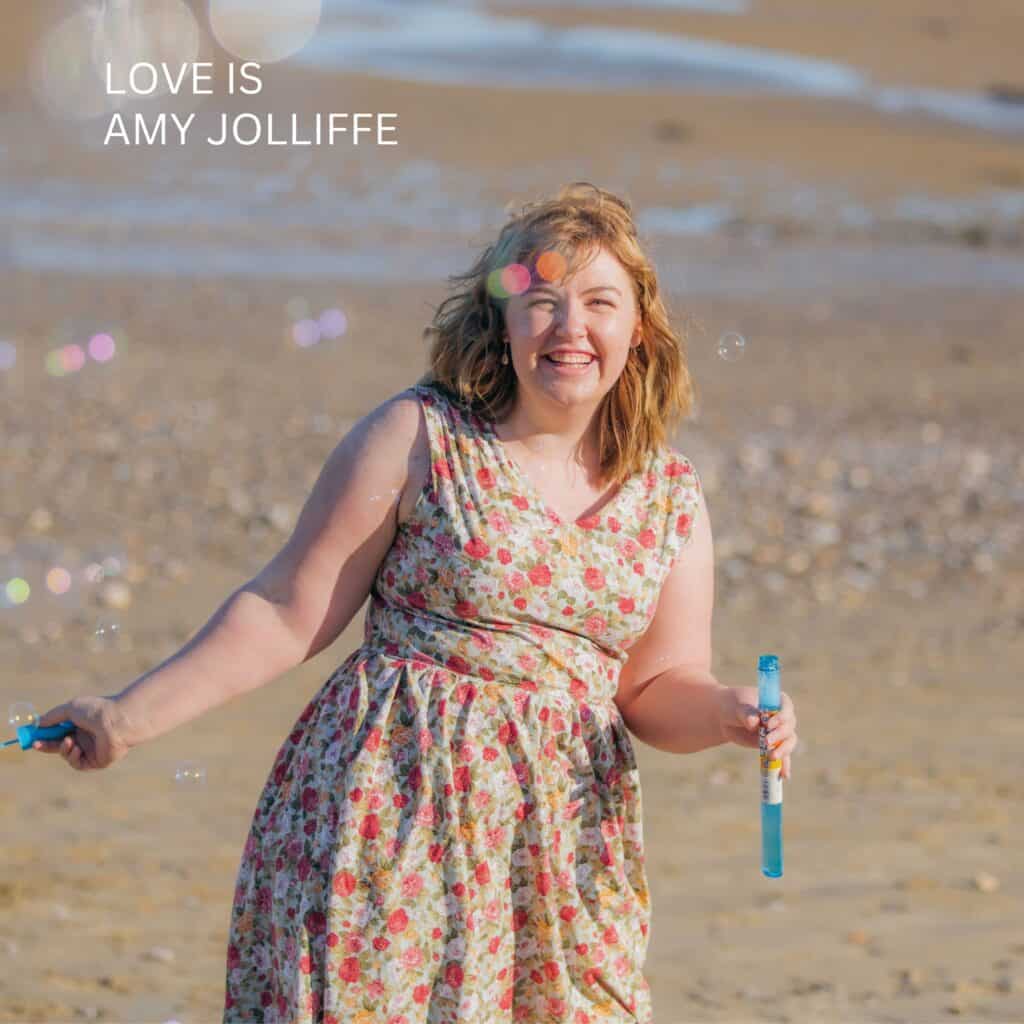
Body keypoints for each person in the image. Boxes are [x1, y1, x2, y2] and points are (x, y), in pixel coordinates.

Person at [34, 182, 799, 1023]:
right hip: (388, 823)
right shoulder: (419, 437)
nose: (569, 328)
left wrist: (729, 712)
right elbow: (288, 609)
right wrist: (129, 715)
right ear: (501, 326)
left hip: (562, 854)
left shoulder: (671, 498)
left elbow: (655, 692)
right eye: (541, 302)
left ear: (638, 329)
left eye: (599, 303)